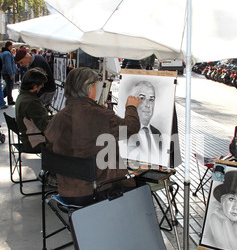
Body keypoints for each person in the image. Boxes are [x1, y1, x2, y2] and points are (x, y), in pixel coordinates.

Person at [44, 67, 141, 206]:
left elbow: (50, 147)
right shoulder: (99, 115)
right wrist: (131, 107)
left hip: (65, 191)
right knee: (135, 181)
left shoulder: (57, 118)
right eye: (96, 85)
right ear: (89, 88)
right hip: (97, 192)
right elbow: (131, 128)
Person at [15, 68, 51, 153]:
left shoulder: (22, 96)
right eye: (41, 86)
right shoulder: (31, 102)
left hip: (28, 138)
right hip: (35, 142)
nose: (41, 88)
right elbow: (45, 126)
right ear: (35, 87)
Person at [127, 80, 162, 165]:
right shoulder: (126, 132)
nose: (147, 105)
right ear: (133, 101)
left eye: (151, 100)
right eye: (142, 98)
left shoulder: (158, 134)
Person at [1, 41, 17, 106]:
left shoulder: (3, 53)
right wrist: (11, 74)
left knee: (7, 86)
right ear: (9, 46)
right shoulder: (7, 53)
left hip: (4, 71)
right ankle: (9, 100)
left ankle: (3, 98)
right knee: (9, 87)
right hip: (7, 72)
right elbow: (8, 64)